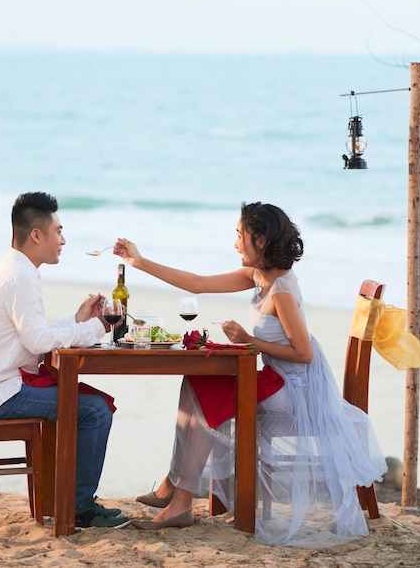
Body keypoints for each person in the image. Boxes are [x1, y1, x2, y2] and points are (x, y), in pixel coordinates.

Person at [113, 202, 387, 547]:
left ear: (261, 240)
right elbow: (197, 283)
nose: (235, 244)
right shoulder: (258, 275)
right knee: (197, 381)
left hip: (293, 390)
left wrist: (249, 340)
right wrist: (140, 262)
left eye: (239, 235)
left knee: (206, 394)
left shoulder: (282, 291)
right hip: (275, 379)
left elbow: (304, 353)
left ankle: (179, 497)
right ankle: (176, 491)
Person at [0, 191, 130, 529]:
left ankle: (65, 500)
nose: (63, 240)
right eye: (59, 231)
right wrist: (96, 327)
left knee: (88, 404)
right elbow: (38, 341)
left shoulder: (9, 270)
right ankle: (79, 507)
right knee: (94, 411)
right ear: (37, 235)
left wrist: (79, 320)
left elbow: (32, 336)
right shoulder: (20, 277)